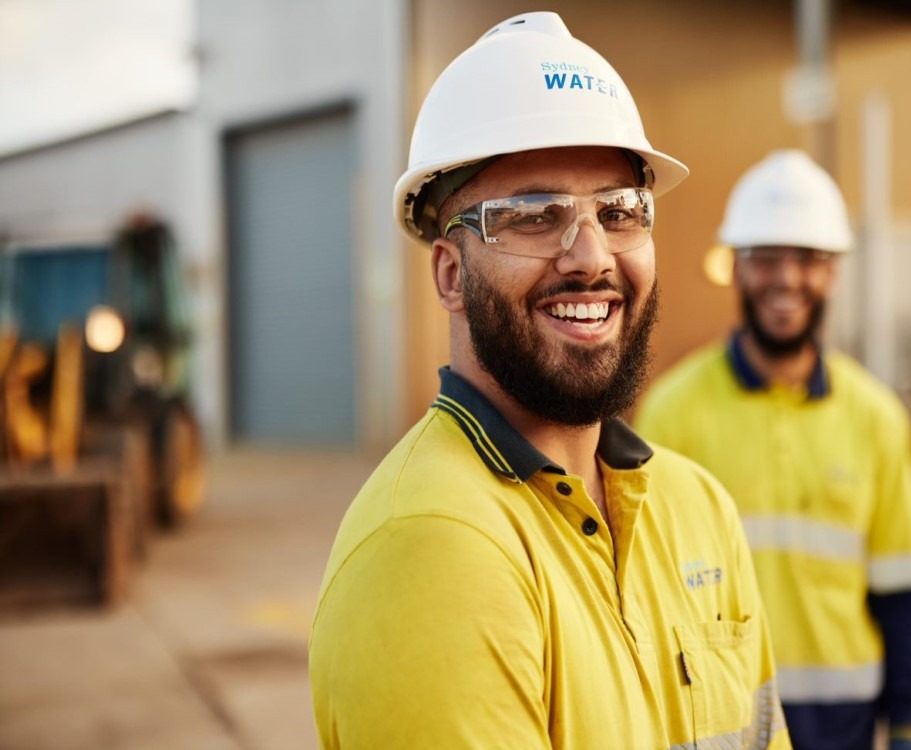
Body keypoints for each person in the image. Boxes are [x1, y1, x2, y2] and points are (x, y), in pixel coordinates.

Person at [309, 12, 790, 750]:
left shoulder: (698, 509)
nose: (591, 256)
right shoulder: (433, 548)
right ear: (449, 272)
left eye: (620, 211)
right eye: (534, 215)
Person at [634, 149, 911, 750]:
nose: (787, 279)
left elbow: (901, 587)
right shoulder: (671, 411)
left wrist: (905, 723)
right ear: (737, 269)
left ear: (834, 273)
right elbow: (642, 591)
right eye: (765, 258)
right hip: (717, 715)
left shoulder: (876, 417)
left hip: (844, 723)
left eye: (809, 260)